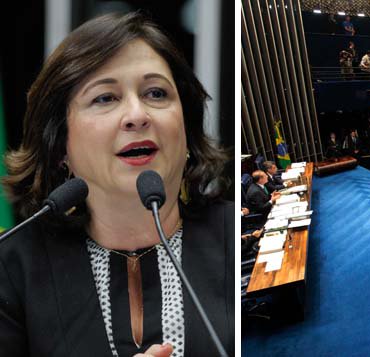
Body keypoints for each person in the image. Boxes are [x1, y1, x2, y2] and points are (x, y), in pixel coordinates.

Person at [0, 13, 233, 355]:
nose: (137, 115)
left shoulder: (232, 234)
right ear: (60, 143)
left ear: (186, 129)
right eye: (105, 98)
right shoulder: (12, 268)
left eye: (156, 93)